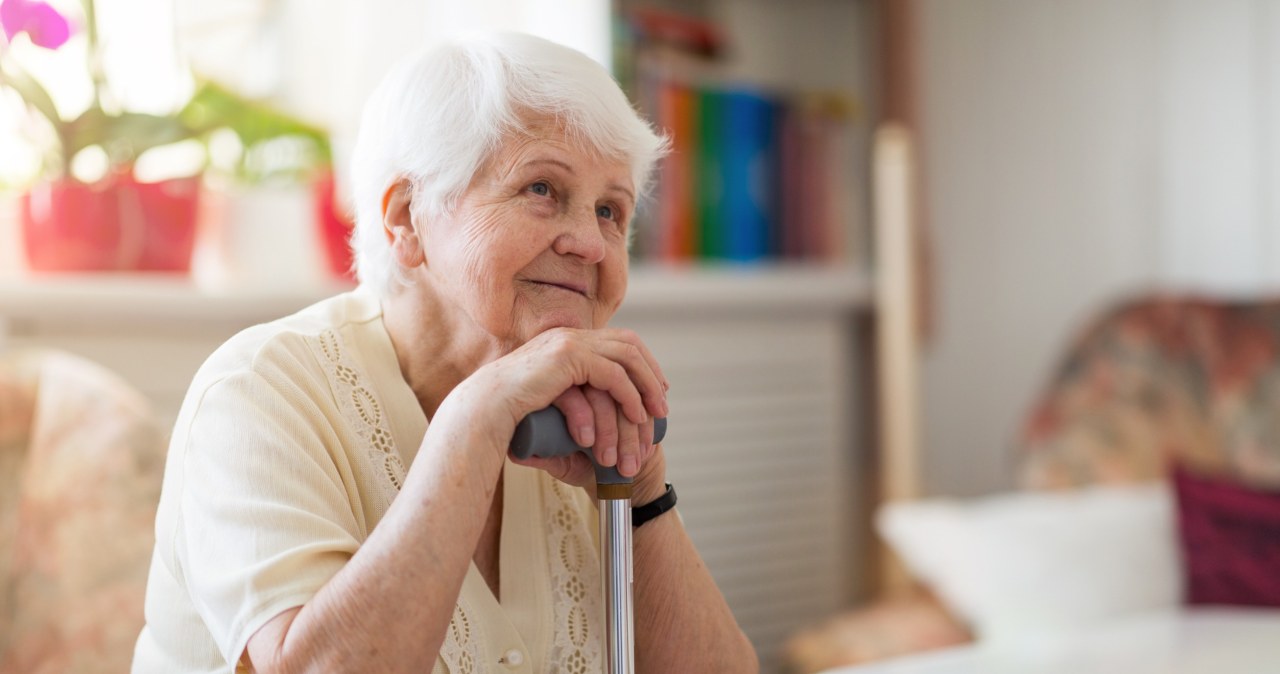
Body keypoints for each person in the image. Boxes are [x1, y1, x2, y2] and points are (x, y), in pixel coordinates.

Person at [132, 32, 757, 673]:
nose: (591, 244)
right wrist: (472, 423)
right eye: (542, 189)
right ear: (407, 218)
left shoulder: (576, 418)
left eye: (609, 210)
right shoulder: (257, 392)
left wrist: (641, 486)